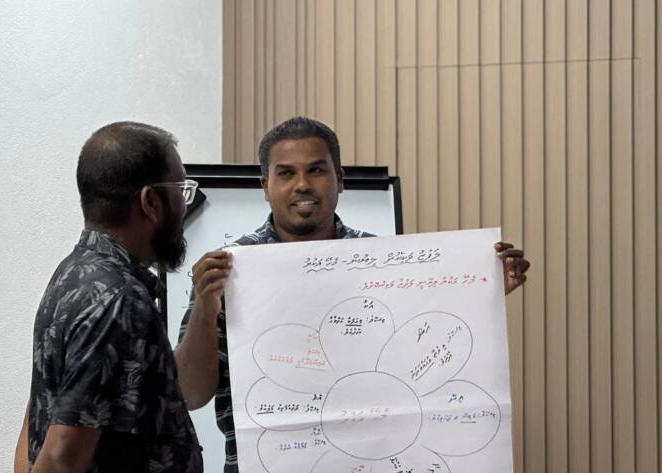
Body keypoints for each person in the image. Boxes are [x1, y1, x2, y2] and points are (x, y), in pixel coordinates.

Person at [173, 116, 531, 473]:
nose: (302, 185)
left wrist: (480, 293)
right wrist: (205, 307)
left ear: (340, 180)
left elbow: (425, 359)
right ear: (265, 186)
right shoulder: (227, 272)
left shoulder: (388, 264)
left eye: (316, 170)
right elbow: (190, 394)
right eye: (286, 173)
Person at [14, 121, 203, 473]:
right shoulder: (118, 300)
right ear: (150, 202)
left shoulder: (72, 274)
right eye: (181, 190)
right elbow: (61, 457)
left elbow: (40, 412)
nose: (184, 204)